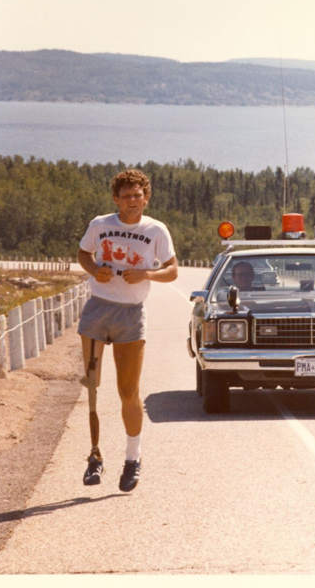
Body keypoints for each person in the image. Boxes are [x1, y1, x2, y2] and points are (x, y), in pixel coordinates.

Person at [76, 169, 178, 492]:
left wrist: (146, 274)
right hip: (98, 308)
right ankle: (94, 456)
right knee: (92, 386)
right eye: (126, 196)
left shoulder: (156, 230)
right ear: (115, 199)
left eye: (138, 195)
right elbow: (83, 254)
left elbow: (173, 270)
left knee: (128, 392)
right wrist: (95, 270)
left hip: (131, 315)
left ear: (146, 197)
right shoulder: (100, 225)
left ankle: (132, 459)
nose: (132, 201)